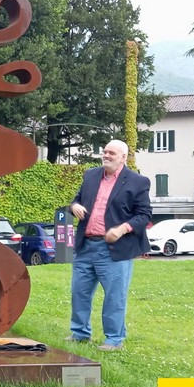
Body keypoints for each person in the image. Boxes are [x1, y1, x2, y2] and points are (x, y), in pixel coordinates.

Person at [67, 139, 151, 351]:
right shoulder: (90, 175)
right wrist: (75, 206)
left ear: (123, 157)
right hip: (86, 246)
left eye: (111, 153)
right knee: (79, 292)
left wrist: (121, 229)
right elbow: (75, 200)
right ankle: (79, 333)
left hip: (114, 250)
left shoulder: (138, 182)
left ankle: (113, 340)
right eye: (104, 151)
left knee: (114, 296)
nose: (106, 155)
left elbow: (144, 215)